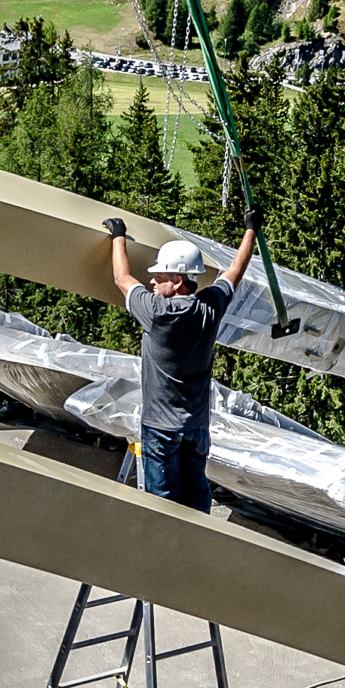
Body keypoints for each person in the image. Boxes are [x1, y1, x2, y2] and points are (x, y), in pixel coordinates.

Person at [107, 216, 258, 511]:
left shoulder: (157, 312)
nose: (152, 281)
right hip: (196, 427)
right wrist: (251, 229)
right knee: (196, 497)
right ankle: (199, 538)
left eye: (159, 276)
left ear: (177, 281)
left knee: (162, 503)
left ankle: (166, 542)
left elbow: (121, 278)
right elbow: (235, 271)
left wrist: (118, 234)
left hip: (161, 429)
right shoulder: (210, 306)